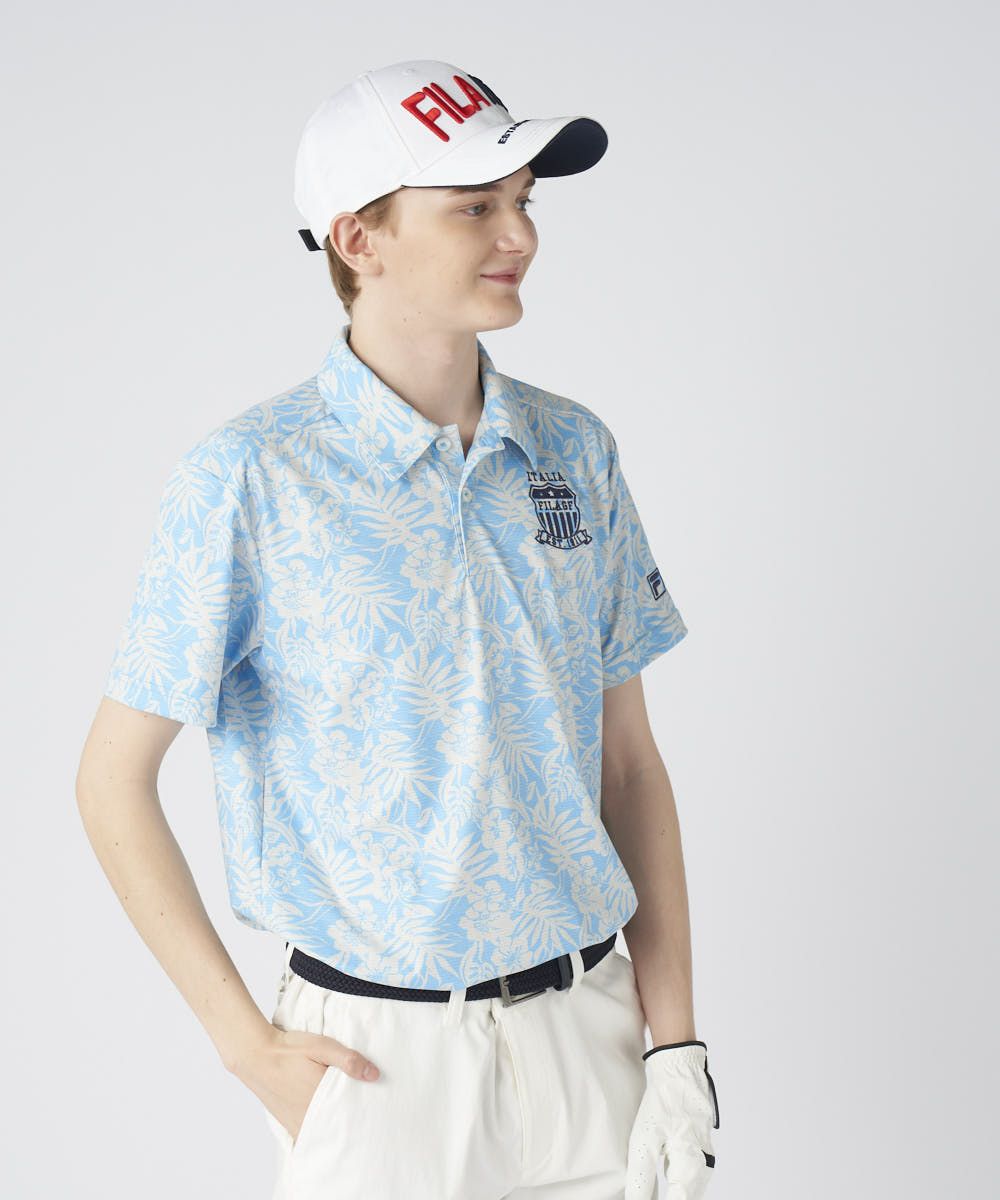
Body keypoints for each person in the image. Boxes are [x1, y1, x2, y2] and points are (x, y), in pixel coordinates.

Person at [75, 58, 719, 1199]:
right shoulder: (251, 478)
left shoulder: (573, 451)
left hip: (594, 1040)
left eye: (523, 200)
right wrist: (246, 1047)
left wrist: (675, 1046)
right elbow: (111, 780)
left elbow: (629, 767)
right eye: (474, 207)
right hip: (380, 1072)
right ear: (357, 239)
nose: (519, 234)